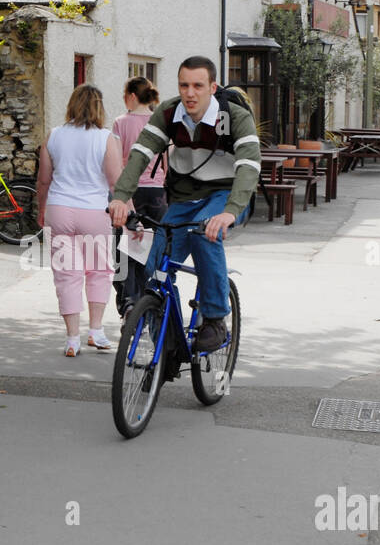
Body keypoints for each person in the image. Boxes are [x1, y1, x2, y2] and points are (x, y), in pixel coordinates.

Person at [108, 55, 259, 354]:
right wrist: (121, 196)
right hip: (184, 197)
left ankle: (215, 318)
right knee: (155, 264)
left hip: (225, 195)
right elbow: (140, 153)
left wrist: (230, 212)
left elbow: (249, 165)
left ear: (212, 87)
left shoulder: (235, 117)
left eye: (198, 86)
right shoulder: (169, 113)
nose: (190, 93)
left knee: (203, 234)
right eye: (184, 85)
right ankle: (164, 339)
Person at [36, 84, 123, 357]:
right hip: (93, 212)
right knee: (99, 271)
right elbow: (115, 181)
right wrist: (128, 212)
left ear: (71, 105)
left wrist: (41, 209)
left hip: (59, 209)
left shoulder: (53, 136)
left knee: (66, 275)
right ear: (99, 107)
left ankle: (72, 338)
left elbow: (43, 179)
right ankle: (96, 331)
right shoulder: (105, 138)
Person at [109, 77, 165, 316]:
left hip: (129, 192)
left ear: (132, 96)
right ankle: (149, 299)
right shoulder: (160, 123)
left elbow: (114, 161)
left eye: (124, 96)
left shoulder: (120, 123)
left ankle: (128, 300)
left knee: (124, 249)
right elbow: (168, 159)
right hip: (157, 193)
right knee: (151, 248)